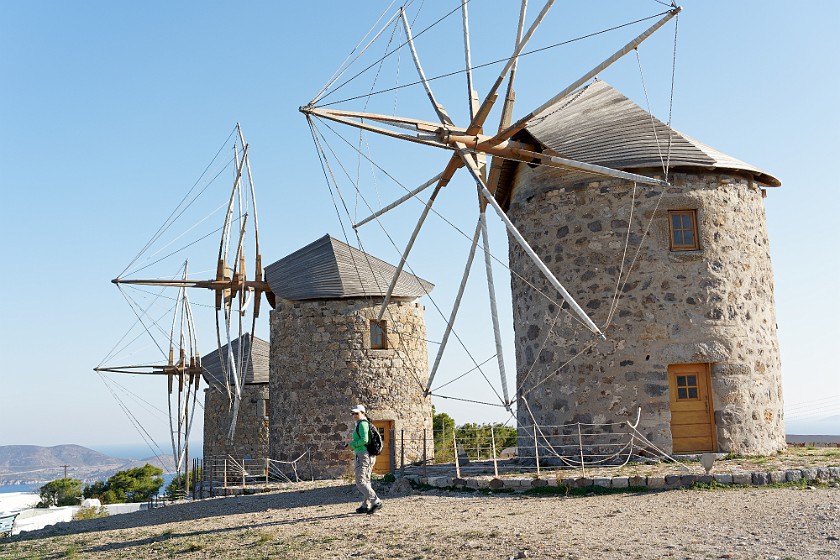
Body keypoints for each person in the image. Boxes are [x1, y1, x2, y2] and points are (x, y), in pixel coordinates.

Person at [349, 404, 382, 514]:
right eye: (353, 413)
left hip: (363, 455)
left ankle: (375, 501)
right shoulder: (363, 423)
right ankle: (365, 505)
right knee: (366, 480)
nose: (354, 415)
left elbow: (364, 439)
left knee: (360, 481)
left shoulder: (362, 424)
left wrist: (353, 444)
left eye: (356, 413)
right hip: (368, 455)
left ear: (363, 413)